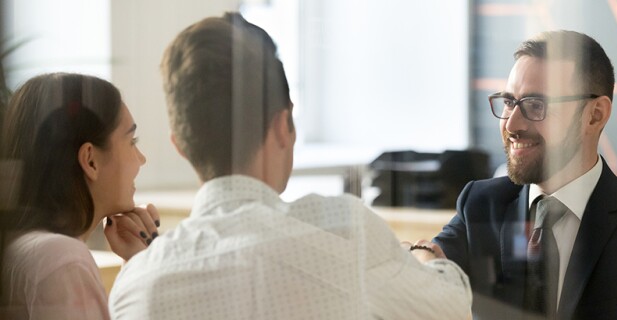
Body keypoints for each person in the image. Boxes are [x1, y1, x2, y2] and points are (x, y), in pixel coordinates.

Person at [108, 12, 471, 319]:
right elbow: (452, 309)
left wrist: (140, 264)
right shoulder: (343, 233)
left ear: (180, 146)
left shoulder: (137, 285)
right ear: (283, 126)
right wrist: (425, 260)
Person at [433, 30, 617, 320]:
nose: (511, 124)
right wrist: (422, 254)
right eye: (509, 102)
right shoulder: (481, 204)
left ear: (595, 115)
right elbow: (424, 263)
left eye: (536, 105)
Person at [0, 73, 159, 319]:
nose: (141, 159)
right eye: (131, 141)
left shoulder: (20, 247)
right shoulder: (62, 259)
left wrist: (133, 263)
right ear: (90, 160)